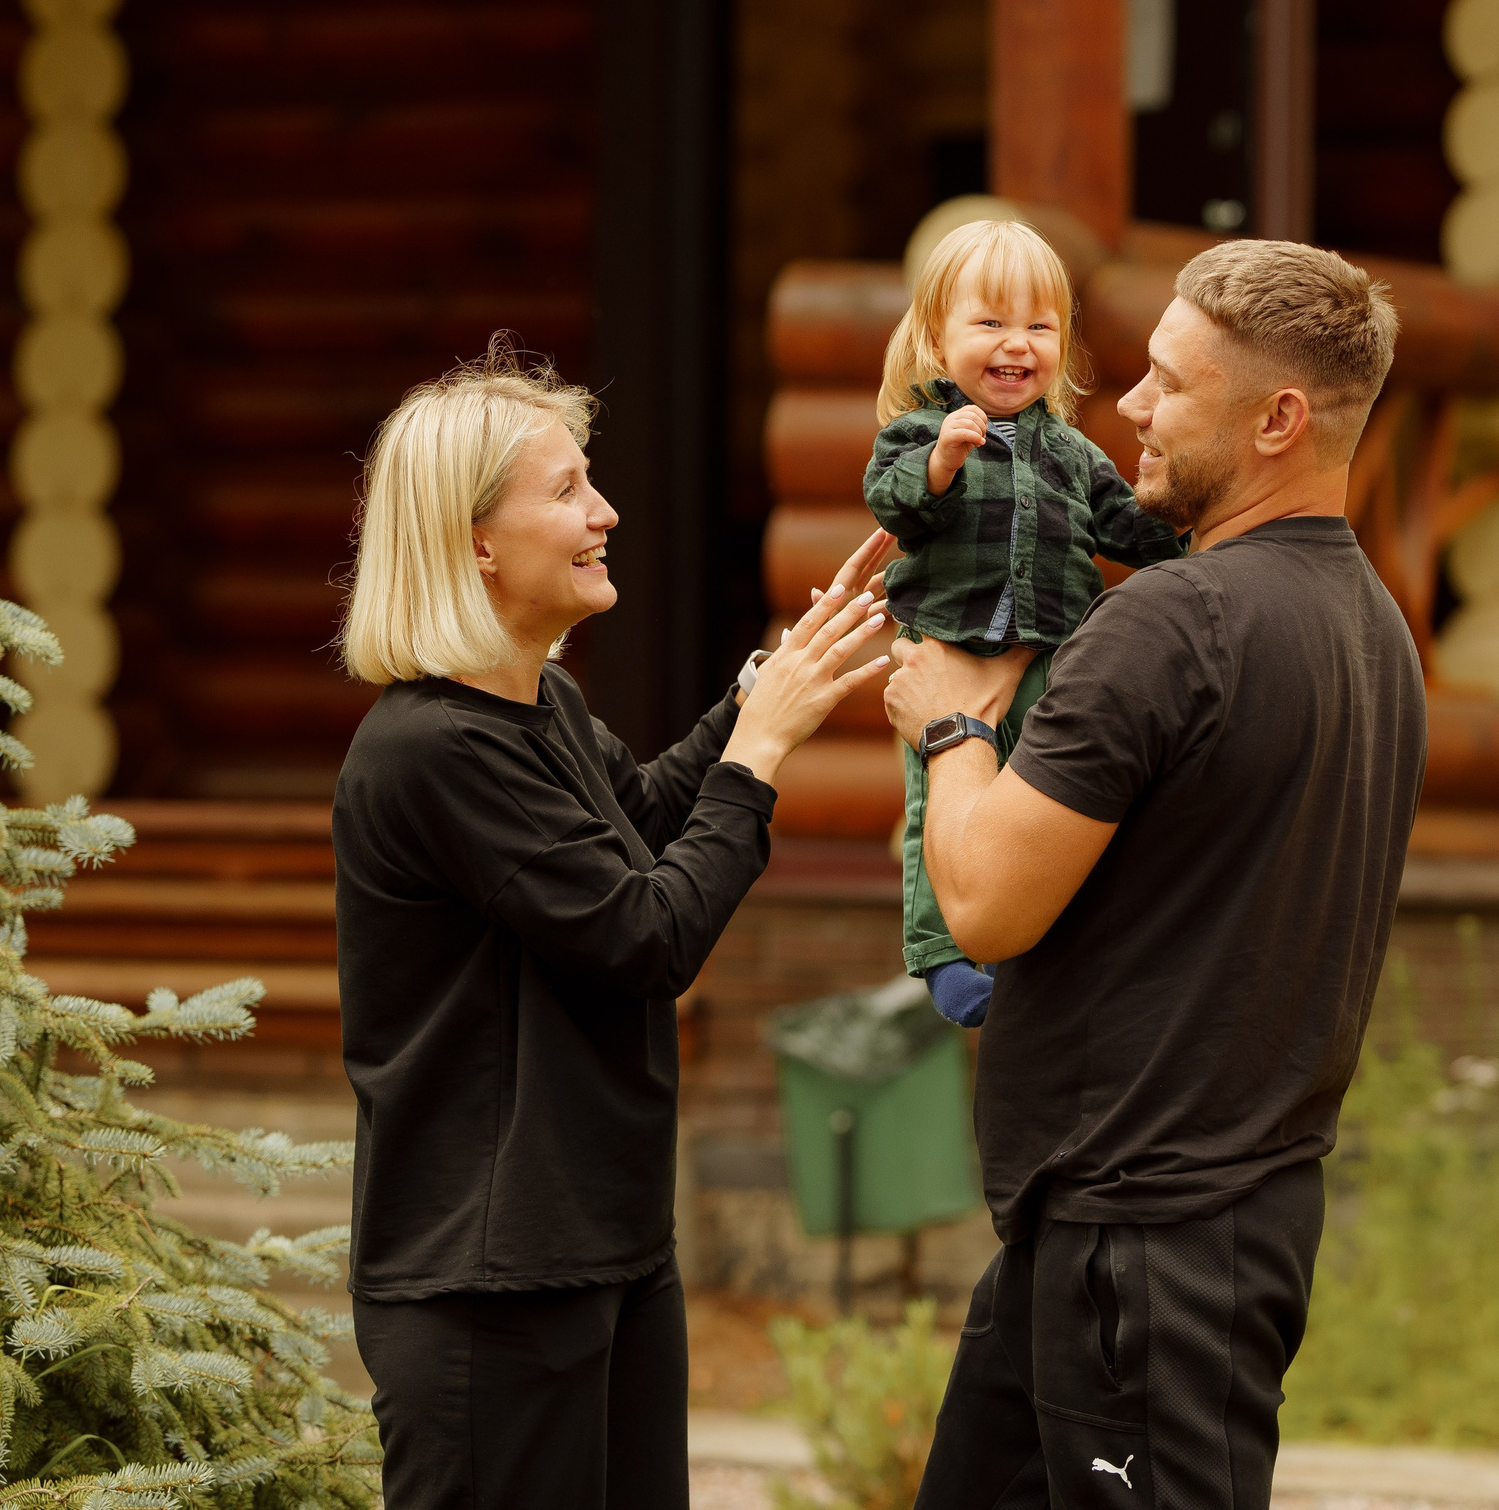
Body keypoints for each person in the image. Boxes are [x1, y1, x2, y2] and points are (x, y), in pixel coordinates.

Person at [881, 242, 1428, 1508]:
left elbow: (985, 904)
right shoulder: (1375, 630)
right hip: (1125, 1230)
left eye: (1169, 383)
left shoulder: (1167, 624)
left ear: (1278, 419)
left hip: (1151, 1248)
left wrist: (953, 728)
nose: (1124, 405)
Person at [330, 338, 893, 1509]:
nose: (606, 510)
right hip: (491, 1284)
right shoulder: (434, 750)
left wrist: (758, 688)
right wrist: (763, 750)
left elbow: (635, 818)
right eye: (567, 490)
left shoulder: (538, 708)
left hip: (606, 1248)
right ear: (474, 542)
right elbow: (647, 934)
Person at [864, 219, 1185, 1029]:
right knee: (935, 800)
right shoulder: (918, 432)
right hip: (949, 653)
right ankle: (940, 955)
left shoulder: (1072, 453)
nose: (1018, 343)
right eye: (992, 323)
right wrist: (941, 462)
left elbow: (1125, 525)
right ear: (938, 338)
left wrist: (1193, 531)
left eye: (1040, 326)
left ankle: (1052, 936)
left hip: (1049, 658)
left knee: (1046, 795)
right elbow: (892, 499)